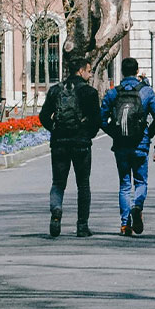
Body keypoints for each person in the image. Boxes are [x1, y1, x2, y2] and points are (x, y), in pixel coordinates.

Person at [100, 57, 155, 236]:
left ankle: (124, 224)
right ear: (137, 71)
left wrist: (114, 132)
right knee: (141, 181)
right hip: (140, 143)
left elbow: (102, 119)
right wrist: (148, 134)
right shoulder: (147, 92)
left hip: (120, 144)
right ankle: (138, 206)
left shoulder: (114, 93)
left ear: (121, 72)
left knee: (124, 184)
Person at [39, 58, 101, 237]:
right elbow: (97, 120)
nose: (90, 75)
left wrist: (55, 129)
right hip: (81, 143)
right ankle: (82, 226)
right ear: (81, 71)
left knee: (58, 182)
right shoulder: (89, 92)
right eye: (89, 71)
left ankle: (56, 211)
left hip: (59, 143)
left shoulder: (55, 90)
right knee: (83, 184)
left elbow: (43, 116)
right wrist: (87, 134)